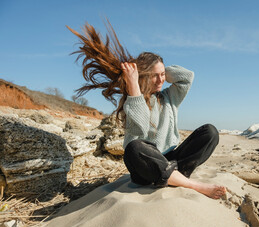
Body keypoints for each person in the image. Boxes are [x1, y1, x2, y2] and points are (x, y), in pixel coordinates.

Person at [67, 22, 226, 199]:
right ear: (144, 76)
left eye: (162, 75)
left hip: (171, 159)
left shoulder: (169, 96)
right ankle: (192, 184)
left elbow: (187, 77)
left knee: (209, 132)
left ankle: (174, 176)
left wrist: (161, 69)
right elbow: (141, 128)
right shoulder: (133, 99)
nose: (160, 80)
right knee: (134, 148)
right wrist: (134, 84)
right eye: (154, 76)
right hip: (144, 165)